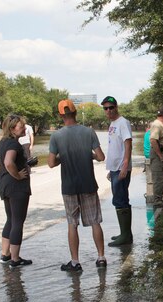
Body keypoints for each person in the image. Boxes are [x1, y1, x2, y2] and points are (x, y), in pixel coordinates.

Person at [48, 99, 107, 271]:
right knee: (95, 221)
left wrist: (62, 158)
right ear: (74, 112)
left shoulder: (56, 136)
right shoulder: (89, 132)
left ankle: (75, 262)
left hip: (69, 187)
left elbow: (51, 163)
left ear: (61, 115)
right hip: (88, 184)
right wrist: (90, 155)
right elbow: (101, 157)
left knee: (72, 224)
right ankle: (101, 258)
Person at [0, 114, 32, 268]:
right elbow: (8, 162)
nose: (24, 128)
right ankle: (15, 259)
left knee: (10, 219)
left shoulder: (3, 142)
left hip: (5, 184)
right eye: (21, 126)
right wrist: (18, 175)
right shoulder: (13, 144)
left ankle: (5, 254)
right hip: (16, 186)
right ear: (12, 129)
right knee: (18, 221)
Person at [101, 95, 134, 247]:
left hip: (122, 168)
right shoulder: (113, 124)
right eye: (105, 108)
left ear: (116, 107)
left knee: (120, 200)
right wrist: (112, 168)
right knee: (119, 199)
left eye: (111, 107)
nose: (108, 110)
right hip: (115, 168)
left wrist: (125, 165)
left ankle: (126, 236)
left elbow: (128, 144)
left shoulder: (123, 122)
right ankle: (124, 233)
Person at [149, 106, 163, 207]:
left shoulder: (161, 124)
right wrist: (160, 155)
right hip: (159, 154)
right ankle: (157, 201)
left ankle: (160, 199)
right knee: (158, 177)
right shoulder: (157, 124)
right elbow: (153, 140)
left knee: (162, 177)